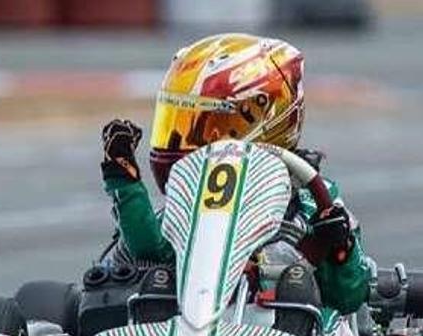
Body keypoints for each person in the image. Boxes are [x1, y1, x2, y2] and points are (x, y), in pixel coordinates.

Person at [98, 33, 371, 317]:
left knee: (296, 279)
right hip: (190, 334)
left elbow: (348, 296)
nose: (189, 142)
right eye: (179, 124)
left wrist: (339, 247)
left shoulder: (313, 202)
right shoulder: (186, 210)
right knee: (153, 279)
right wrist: (125, 182)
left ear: (264, 115)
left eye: (211, 127)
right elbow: (148, 249)